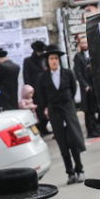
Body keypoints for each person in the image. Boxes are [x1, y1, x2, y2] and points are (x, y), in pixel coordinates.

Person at [41, 46, 86, 184]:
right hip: (55, 113)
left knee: (74, 141)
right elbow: (42, 95)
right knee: (63, 144)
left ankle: (79, 170)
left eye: (55, 58)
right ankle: (70, 173)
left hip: (68, 110)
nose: (54, 61)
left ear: (59, 60)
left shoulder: (67, 73)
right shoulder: (43, 77)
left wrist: (68, 104)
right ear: (47, 61)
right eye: (51, 58)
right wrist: (46, 108)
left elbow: (73, 89)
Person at [74, 35, 100, 138]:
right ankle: (91, 131)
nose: (84, 45)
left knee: (95, 108)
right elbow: (78, 73)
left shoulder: (91, 54)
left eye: (85, 43)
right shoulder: (78, 56)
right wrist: (85, 85)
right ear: (80, 44)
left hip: (94, 85)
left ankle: (96, 127)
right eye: (82, 43)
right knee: (88, 111)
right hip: (87, 88)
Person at [23, 40, 50, 135]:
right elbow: (26, 76)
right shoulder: (28, 61)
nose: (41, 53)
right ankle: (40, 129)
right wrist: (30, 90)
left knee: (46, 108)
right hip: (35, 90)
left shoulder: (45, 59)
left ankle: (44, 127)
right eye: (39, 51)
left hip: (45, 88)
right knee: (38, 111)